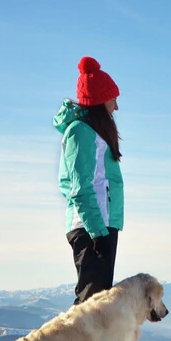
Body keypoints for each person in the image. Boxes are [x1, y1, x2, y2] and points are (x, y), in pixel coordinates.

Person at [53, 56, 124, 305]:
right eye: (113, 98)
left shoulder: (92, 131)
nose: (116, 106)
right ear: (100, 98)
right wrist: (97, 232)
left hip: (101, 224)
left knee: (98, 306)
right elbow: (79, 188)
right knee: (90, 307)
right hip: (91, 226)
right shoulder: (80, 132)